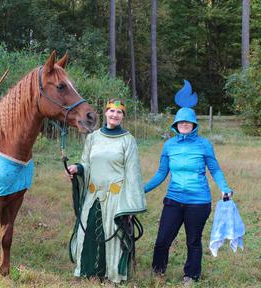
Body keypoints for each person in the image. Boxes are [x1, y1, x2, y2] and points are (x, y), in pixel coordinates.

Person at [144, 80, 233, 284]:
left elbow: (215, 169)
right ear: (175, 125)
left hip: (198, 202)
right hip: (174, 199)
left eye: (188, 122)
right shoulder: (169, 146)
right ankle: (158, 272)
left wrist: (224, 188)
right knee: (162, 240)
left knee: (193, 241)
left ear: (194, 125)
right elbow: (161, 173)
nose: (184, 125)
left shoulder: (204, 145)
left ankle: (191, 275)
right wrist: (142, 189)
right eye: (180, 122)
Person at [67, 98, 147, 284]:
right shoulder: (93, 137)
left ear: (123, 117)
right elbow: (86, 162)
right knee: (87, 234)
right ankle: (87, 271)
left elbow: (133, 173)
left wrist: (130, 207)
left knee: (112, 235)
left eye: (119, 112)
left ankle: (111, 274)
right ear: (105, 113)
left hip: (115, 197)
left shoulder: (128, 140)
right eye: (111, 111)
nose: (115, 115)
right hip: (93, 195)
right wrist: (77, 168)